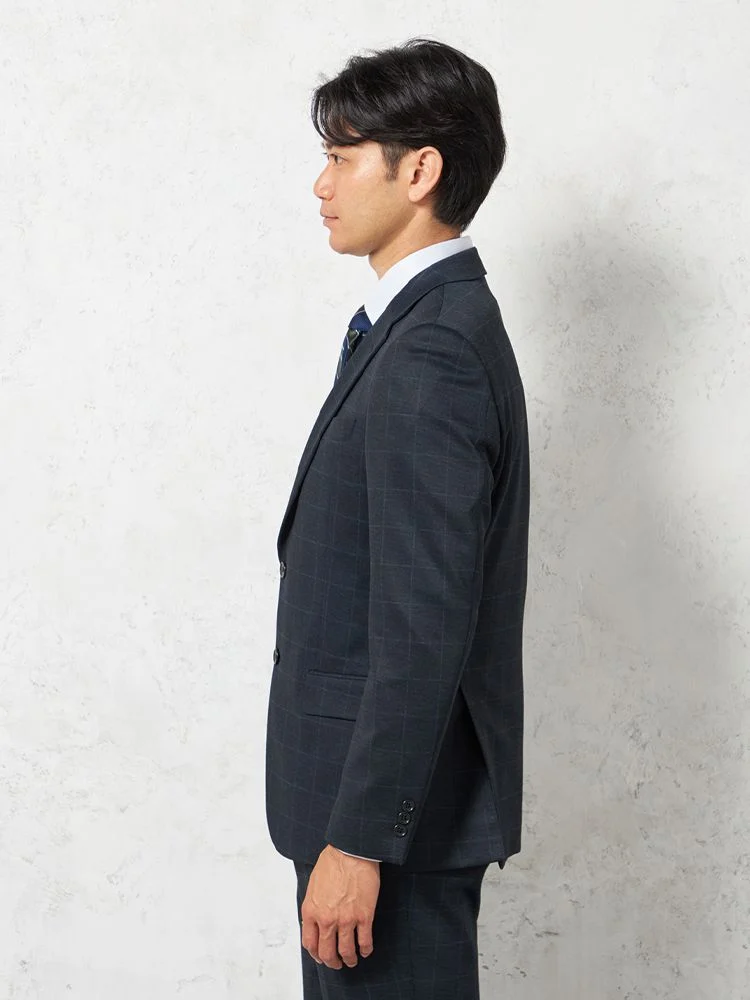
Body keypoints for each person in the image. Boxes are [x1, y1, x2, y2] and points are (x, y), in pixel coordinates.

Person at [265, 36, 530, 999]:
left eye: (342, 157)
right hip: (373, 810)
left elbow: (424, 626)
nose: (321, 184)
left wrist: (360, 842)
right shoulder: (420, 327)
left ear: (419, 171)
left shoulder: (432, 353)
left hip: (386, 829)